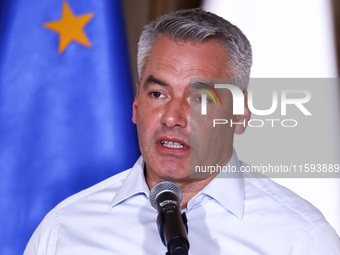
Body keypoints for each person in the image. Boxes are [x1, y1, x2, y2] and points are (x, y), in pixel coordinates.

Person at [24, 8, 340, 255]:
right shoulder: (63, 230)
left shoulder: (301, 239)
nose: (173, 117)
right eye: (158, 94)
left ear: (240, 114)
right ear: (135, 104)